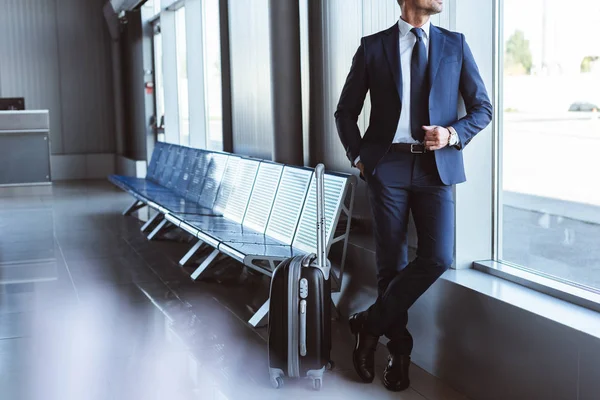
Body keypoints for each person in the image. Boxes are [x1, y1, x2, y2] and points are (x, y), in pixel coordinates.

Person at [335, 0, 492, 392]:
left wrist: (452, 134)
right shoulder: (373, 47)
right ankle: (399, 354)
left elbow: (482, 108)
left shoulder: (455, 44)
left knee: (437, 256)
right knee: (391, 263)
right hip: (386, 166)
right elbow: (345, 112)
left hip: (435, 167)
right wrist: (359, 157)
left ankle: (368, 325)